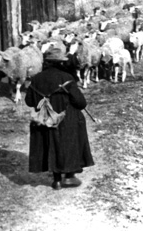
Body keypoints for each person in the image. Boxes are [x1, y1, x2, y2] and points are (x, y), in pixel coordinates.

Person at [24, 43, 95, 190]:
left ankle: (56, 180)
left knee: (50, 143)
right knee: (70, 140)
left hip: (44, 119)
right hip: (65, 118)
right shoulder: (67, 78)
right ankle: (69, 177)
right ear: (62, 63)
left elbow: (29, 101)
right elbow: (81, 103)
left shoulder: (36, 78)